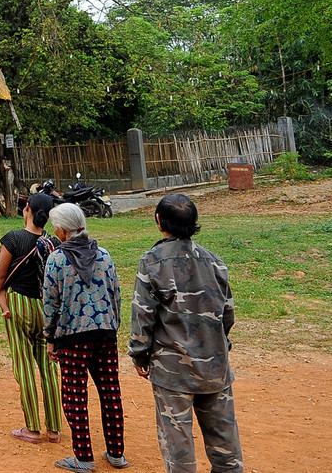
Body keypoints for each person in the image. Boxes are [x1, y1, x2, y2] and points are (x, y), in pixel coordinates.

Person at [129, 194, 243, 473]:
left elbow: (143, 315)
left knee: (178, 449)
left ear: (159, 222)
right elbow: (227, 313)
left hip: (172, 372)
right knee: (226, 449)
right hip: (215, 368)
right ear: (194, 224)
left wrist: (140, 355)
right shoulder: (215, 261)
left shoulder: (152, 261)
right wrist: (217, 344)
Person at [43, 202, 127, 472]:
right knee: (110, 392)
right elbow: (116, 295)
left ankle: (84, 459)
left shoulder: (56, 259)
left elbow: (51, 304)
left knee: (75, 395)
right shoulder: (104, 255)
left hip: (71, 336)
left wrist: (50, 337)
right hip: (104, 333)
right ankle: (116, 454)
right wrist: (112, 326)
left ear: (61, 231)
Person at [0, 191, 64, 445]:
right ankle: (54, 429)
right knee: (49, 366)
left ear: (27, 209)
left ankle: (32, 428)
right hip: (46, 308)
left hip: (18, 304)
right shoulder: (54, 243)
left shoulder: (13, 239)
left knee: (24, 365)